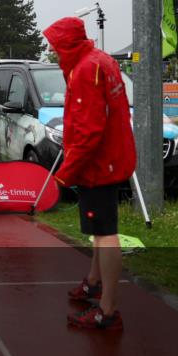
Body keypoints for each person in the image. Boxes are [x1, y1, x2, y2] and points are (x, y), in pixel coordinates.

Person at [43, 17, 136, 330]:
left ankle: (107, 311)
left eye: (55, 45)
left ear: (67, 44)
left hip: (98, 165)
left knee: (106, 233)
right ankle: (94, 282)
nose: (53, 52)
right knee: (100, 228)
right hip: (110, 158)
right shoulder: (101, 60)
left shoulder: (85, 70)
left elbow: (88, 132)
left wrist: (64, 175)